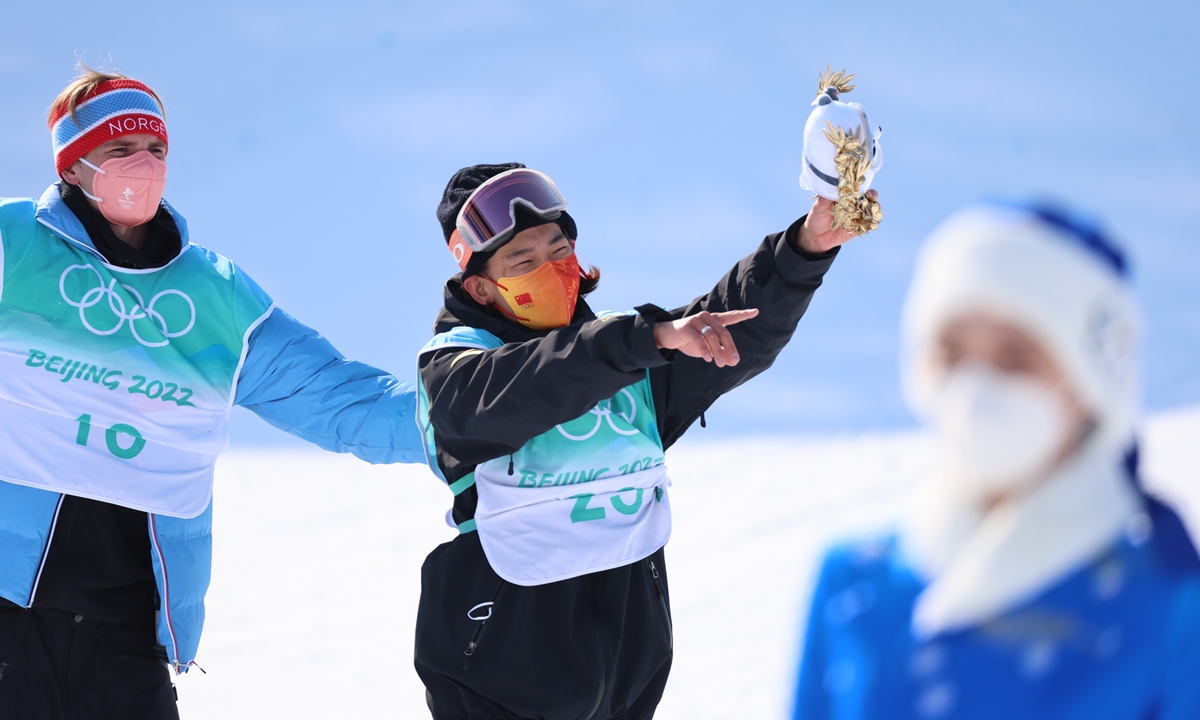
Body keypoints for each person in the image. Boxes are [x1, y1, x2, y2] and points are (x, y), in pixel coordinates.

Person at [0, 68, 425, 719]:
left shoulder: (217, 298)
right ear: (74, 165)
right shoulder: (14, 246)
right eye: (121, 150)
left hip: (126, 645)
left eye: (156, 150)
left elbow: (352, 409)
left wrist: (515, 403)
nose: (143, 165)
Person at [412, 162, 872, 719]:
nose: (552, 270)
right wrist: (643, 339)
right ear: (482, 287)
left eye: (560, 250)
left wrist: (805, 249)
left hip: (624, 678)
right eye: (523, 261)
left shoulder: (629, 353)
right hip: (497, 677)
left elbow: (727, 331)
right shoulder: (456, 369)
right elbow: (525, 386)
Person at [792, 202, 1200, 719]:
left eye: (1016, 357)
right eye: (951, 350)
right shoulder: (855, 584)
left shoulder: (1166, 606)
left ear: (1092, 384)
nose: (976, 389)